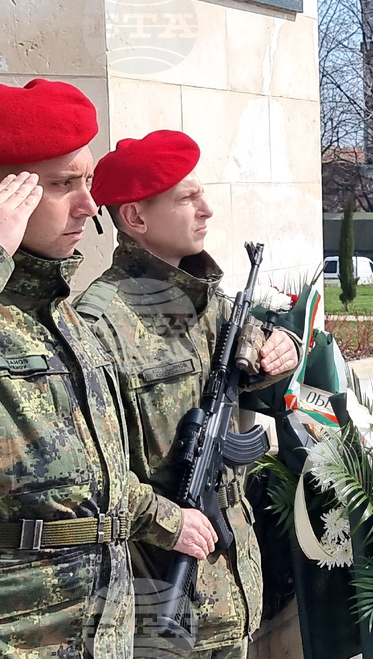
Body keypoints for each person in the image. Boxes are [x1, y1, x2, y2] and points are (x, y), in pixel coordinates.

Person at [0, 81, 215, 656]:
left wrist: (163, 516)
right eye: (62, 184)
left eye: (86, 181)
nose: (88, 206)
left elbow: (93, 468)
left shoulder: (59, 313)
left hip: (104, 626)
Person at [75, 130, 300, 658]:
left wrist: (281, 346)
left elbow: (245, 350)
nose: (207, 210)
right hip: (160, 591)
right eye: (186, 198)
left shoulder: (201, 300)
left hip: (232, 584)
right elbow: (92, 474)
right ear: (135, 218)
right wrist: (167, 520)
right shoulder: (101, 322)